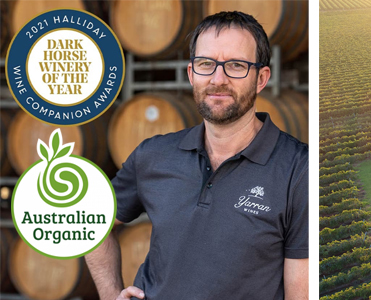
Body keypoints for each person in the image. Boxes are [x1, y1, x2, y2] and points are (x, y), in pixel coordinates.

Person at [84, 11, 309, 300]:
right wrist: (109, 293)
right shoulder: (153, 155)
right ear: (191, 74)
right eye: (206, 64)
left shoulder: (299, 170)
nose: (218, 79)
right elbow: (90, 222)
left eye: (236, 65)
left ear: (261, 78)